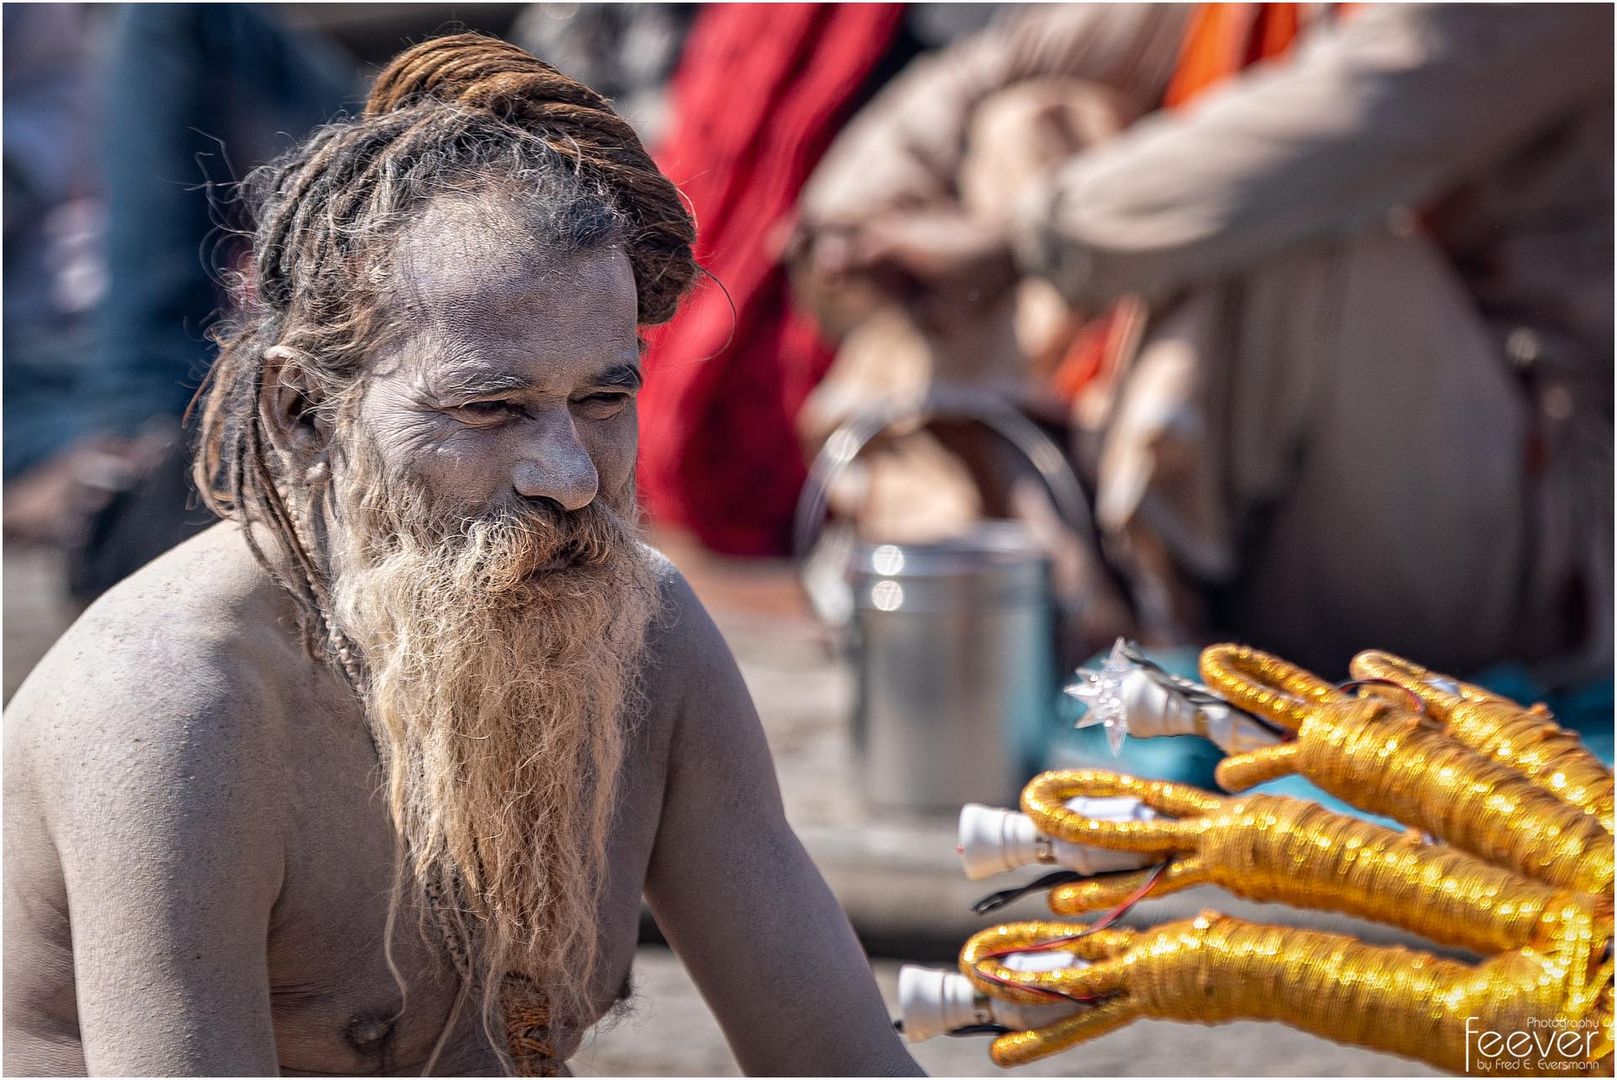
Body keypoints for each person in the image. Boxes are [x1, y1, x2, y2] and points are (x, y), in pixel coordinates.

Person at [3, 34, 923, 1077]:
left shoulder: (646, 639)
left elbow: (842, 1061)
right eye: (490, 408)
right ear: (304, 411)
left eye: (603, 399)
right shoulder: (172, 706)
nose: (571, 477)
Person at [793, 4, 1613, 684]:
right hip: (1267, 502)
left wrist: (1012, 243)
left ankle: (1107, 592)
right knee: (1032, 121)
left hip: (1515, 526)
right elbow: (1003, 65)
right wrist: (859, 222)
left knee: (1286, 227)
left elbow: (1341, 124)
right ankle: (1031, 546)